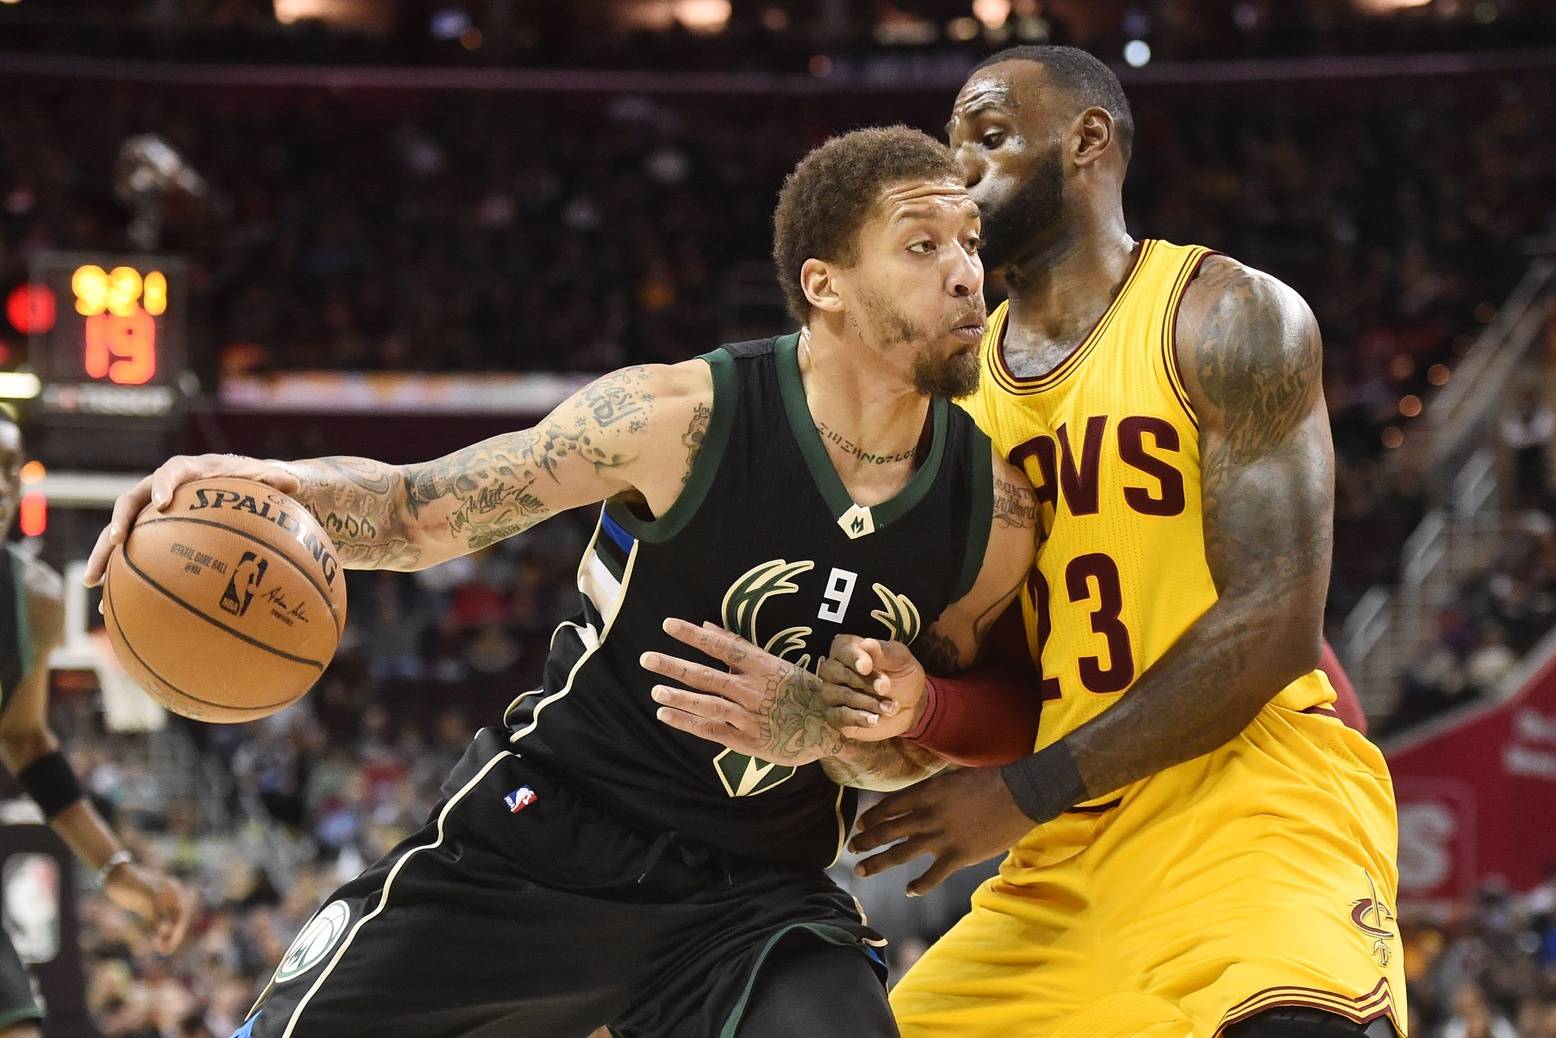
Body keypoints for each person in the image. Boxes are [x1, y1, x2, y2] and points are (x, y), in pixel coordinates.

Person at [85, 126, 1039, 1038]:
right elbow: (415, 511)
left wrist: (835, 732)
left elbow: (905, 752)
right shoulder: (676, 417)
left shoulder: (991, 516)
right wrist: (263, 487)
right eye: (922, 245)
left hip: (753, 898)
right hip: (547, 838)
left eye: (969, 241)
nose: (968, 272)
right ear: (823, 284)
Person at [658, 46, 1405, 1038]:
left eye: (988, 137)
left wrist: (1024, 790)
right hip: (1072, 847)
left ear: (1086, 141)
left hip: (1252, 807)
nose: (955, 170)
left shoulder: (1223, 317)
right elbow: (1012, 682)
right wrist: (894, 708)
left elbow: (1273, 625)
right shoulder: (951, 409)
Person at [0, 406, 194, 1038]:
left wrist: (119, 871)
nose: (3, 486)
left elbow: (26, 742)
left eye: (12, 469)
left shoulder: (34, 597)